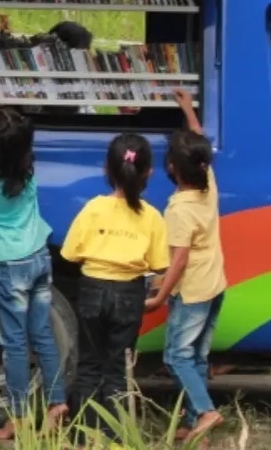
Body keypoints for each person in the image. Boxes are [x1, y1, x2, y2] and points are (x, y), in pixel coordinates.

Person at [61, 134, 169, 443]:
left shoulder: (94, 208)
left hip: (92, 289)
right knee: (118, 369)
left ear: (107, 170)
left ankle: (83, 438)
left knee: (89, 365)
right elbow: (160, 264)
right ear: (148, 172)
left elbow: (70, 253)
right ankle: (115, 437)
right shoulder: (152, 216)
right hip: (129, 294)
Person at [0, 105, 67, 440]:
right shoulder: (27, 170)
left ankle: (19, 418)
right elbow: (8, 129)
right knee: (40, 334)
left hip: (11, 267)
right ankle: (57, 404)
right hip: (40, 258)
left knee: (13, 342)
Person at [144, 89, 225, 441]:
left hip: (191, 290)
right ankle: (196, 426)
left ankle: (206, 412)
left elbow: (179, 260)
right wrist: (188, 109)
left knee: (176, 356)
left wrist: (160, 296)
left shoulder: (178, 210)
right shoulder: (208, 186)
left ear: (172, 168)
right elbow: (201, 144)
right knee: (196, 356)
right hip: (215, 284)